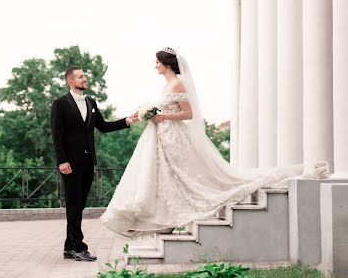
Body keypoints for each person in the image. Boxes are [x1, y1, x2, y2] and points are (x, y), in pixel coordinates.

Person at [100, 47, 329, 236]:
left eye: (157, 62)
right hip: (162, 136)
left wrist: (163, 116)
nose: (155, 66)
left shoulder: (179, 84)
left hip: (174, 136)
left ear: (166, 64)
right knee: (163, 177)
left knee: (182, 177)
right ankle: (163, 220)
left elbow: (188, 114)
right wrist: (150, 114)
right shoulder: (166, 85)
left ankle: (169, 219)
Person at [51, 66, 138, 261]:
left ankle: (68, 246)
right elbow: (57, 135)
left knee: (78, 205)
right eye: (81, 76)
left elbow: (103, 126)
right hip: (70, 164)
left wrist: (127, 121)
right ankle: (78, 247)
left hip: (88, 162)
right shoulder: (60, 104)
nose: (85, 78)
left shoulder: (91, 102)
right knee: (73, 205)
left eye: (84, 75)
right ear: (70, 82)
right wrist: (62, 160)